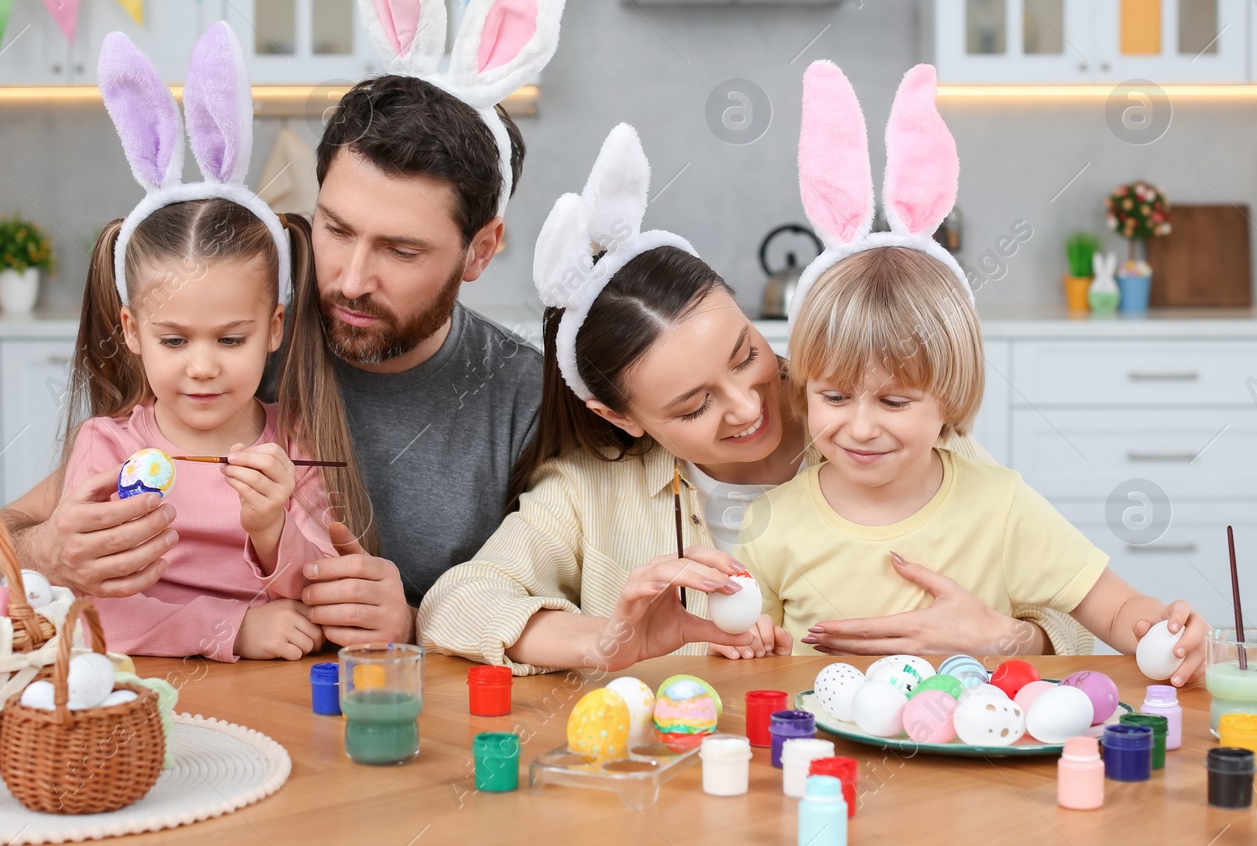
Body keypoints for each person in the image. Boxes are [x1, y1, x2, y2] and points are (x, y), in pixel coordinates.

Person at [0, 0, 570, 648]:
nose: (347, 277)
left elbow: (566, 608)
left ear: (481, 250)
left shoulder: (520, 399)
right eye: (338, 228)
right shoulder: (233, 331)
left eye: (401, 251)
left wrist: (420, 620)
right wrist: (51, 553)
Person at [416, 125, 1085, 675]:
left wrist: (1007, 640)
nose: (746, 405)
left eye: (745, 354)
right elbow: (456, 602)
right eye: (692, 405)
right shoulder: (591, 492)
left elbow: (1072, 618)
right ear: (618, 416)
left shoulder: (881, 424)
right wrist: (607, 640)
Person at [739, 61, 1208, 687]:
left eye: (895, 401)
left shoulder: (1001, 505)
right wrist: (751, 648)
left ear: (949, 398)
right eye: (834, 395)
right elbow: (750, 671)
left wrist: (1167, 630)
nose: (860, 426)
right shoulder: (771, 522)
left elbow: (1118, 609)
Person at [53, 23, 368, 661]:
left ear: (275, 327)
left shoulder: (295, 442)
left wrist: (270, 528)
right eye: (174, 340)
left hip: (276, 699)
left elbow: (318, 596)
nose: (202, 367)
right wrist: (229, 628)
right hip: (140, 700)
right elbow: (89, 610)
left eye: (231, 338)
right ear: (131, 332)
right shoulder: (106, 451)